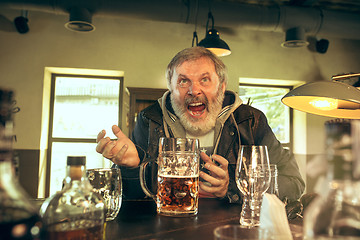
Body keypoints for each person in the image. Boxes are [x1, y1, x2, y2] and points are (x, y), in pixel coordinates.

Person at [96, 46, 305, 203]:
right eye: (183, 81)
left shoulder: (250, 121)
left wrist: (232, 187)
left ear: (222, 87)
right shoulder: (150, 120)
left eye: (204, 80)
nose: (193, 90)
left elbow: (294, 183)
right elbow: (125, 195)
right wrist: (131, 167)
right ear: (171, 87)